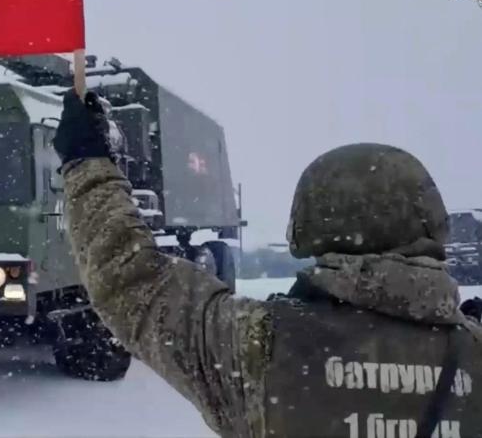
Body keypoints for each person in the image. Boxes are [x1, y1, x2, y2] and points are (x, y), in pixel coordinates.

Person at [53, 90, 482, 438]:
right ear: (431, 222)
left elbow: (129, 278)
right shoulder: (472, 352)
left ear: (310, 226)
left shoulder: (259, 344)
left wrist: (87, 161)